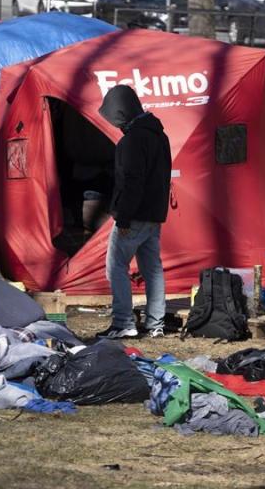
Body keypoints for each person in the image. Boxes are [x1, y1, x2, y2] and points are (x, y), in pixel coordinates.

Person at [96, 84, 172, 339]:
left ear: (120, 113)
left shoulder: (132, 141)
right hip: (154, 214)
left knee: (116, 266)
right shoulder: (159, 134)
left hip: (134, 215)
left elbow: (132, 181)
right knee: (152, 269)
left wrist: (124, 216)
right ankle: (156, 324)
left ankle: (123, 323)